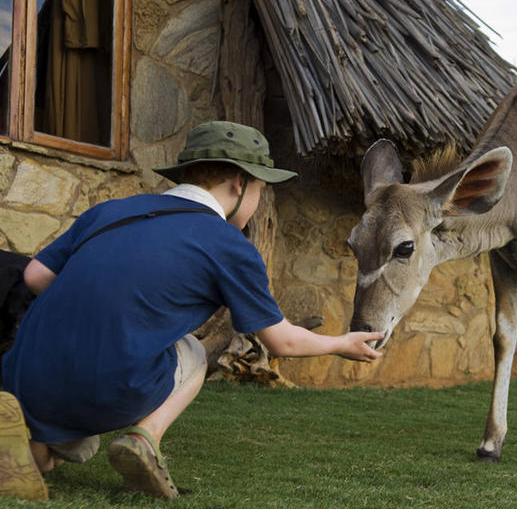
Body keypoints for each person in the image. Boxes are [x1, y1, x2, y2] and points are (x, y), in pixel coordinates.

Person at [0, 121, 383, 500]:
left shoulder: (110, 211)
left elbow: (34, 276)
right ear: (239, 182)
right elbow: (282, 341)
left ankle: (26, 444)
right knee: (193, 352)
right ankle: (144, 438)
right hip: (109, 381)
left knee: (57, 452)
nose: (258, 201)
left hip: (24, 372)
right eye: (260, 189)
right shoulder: (229, 246)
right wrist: (340, 343)